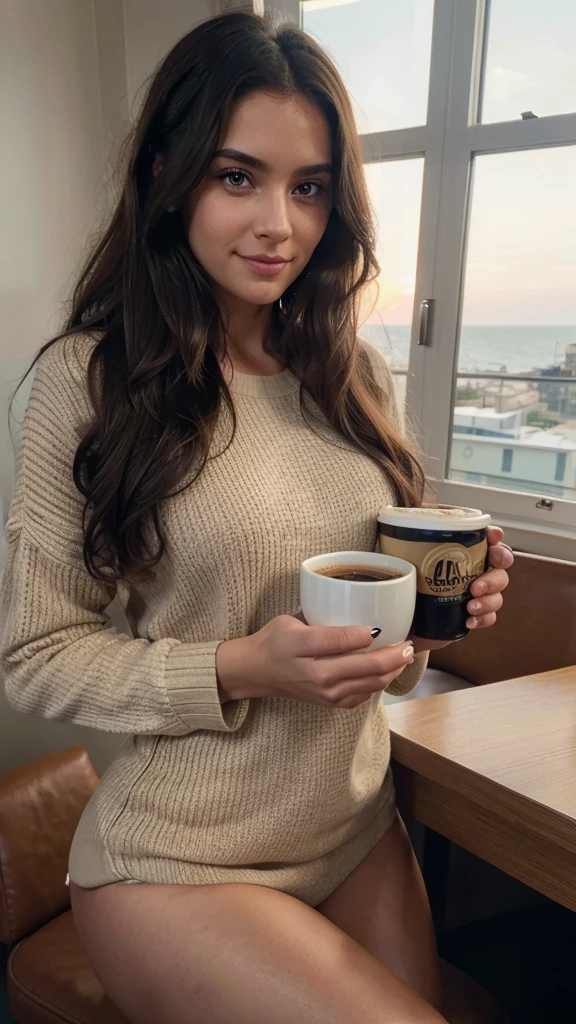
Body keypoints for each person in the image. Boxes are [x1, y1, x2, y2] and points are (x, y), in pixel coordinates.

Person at [0, 11, 512, 1024]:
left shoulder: (355, 375)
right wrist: (239, 666)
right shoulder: (87, 380)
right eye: (239, 176)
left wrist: (443, 611)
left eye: (310, 186)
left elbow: (382, 654)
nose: (281, 222)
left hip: (355, 829)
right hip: (176, 859)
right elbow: (35, 653)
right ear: (166, 174)